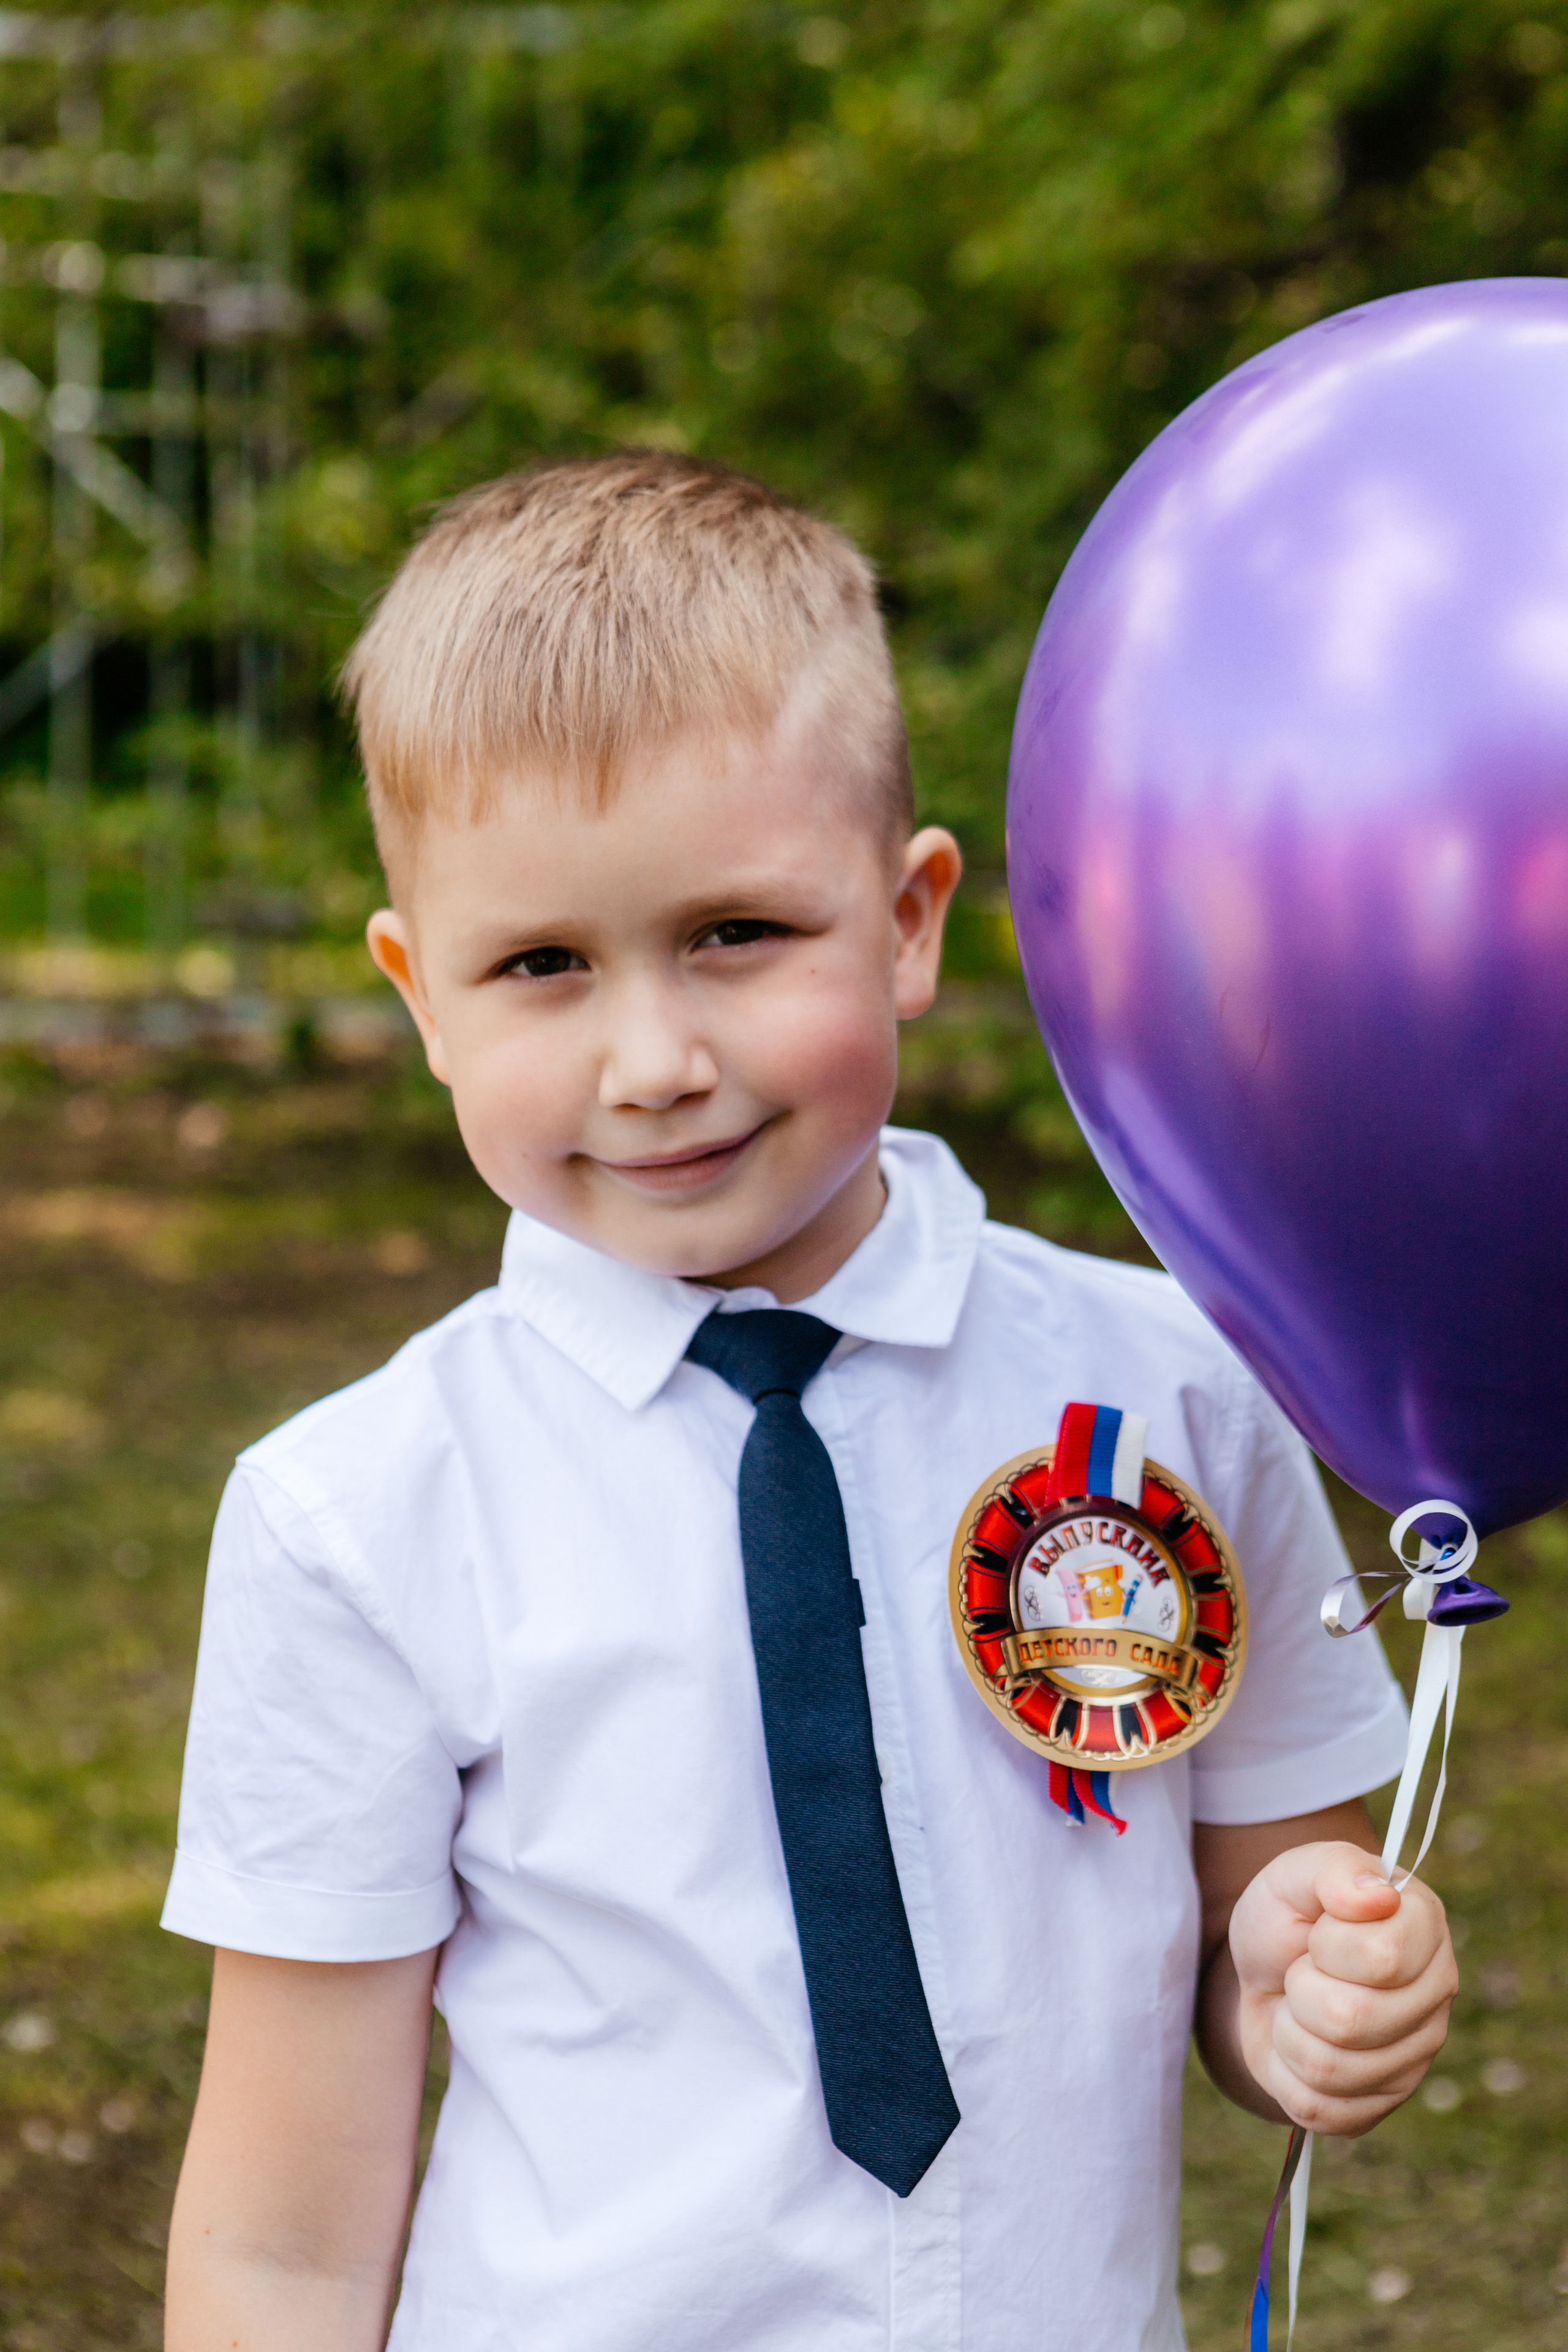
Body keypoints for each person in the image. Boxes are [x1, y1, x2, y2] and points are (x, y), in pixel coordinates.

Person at [160, 452, 1457, 2352]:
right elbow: (283, 2234)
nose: (657, 1060)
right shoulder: (356, 1515)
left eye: (737, 936)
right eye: (539, 967)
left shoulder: (1176, 1384)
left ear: (913, 917)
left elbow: (1264, 1895)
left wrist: (1304, 1991)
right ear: (420, 996)